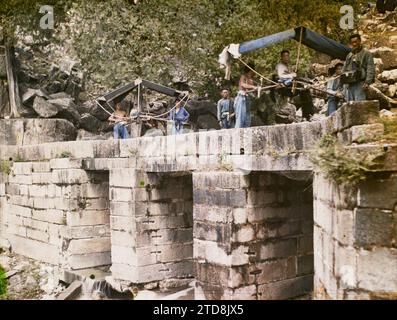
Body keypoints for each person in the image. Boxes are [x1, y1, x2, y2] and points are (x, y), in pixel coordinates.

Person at [342, 34, 375, 102]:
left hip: (360, 82)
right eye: (352, 42)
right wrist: (344, 80)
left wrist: (367, 82)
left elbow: (370, 68)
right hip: (350, 83)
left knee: (360, 103)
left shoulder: (366, 53)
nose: (354, 44)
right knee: (350, 103)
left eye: (356, 41)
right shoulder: (349, 55)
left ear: (360, 41)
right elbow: (345, 68)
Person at [234, 64, 258, 128]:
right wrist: (253, 87)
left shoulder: (251, 80)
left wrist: (257, 89)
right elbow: (243, 85)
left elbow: (253, 91)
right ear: (251, 70)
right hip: (241, 98)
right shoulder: (243, 76)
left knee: (247, 119)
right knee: (240, 118)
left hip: (247, 99)